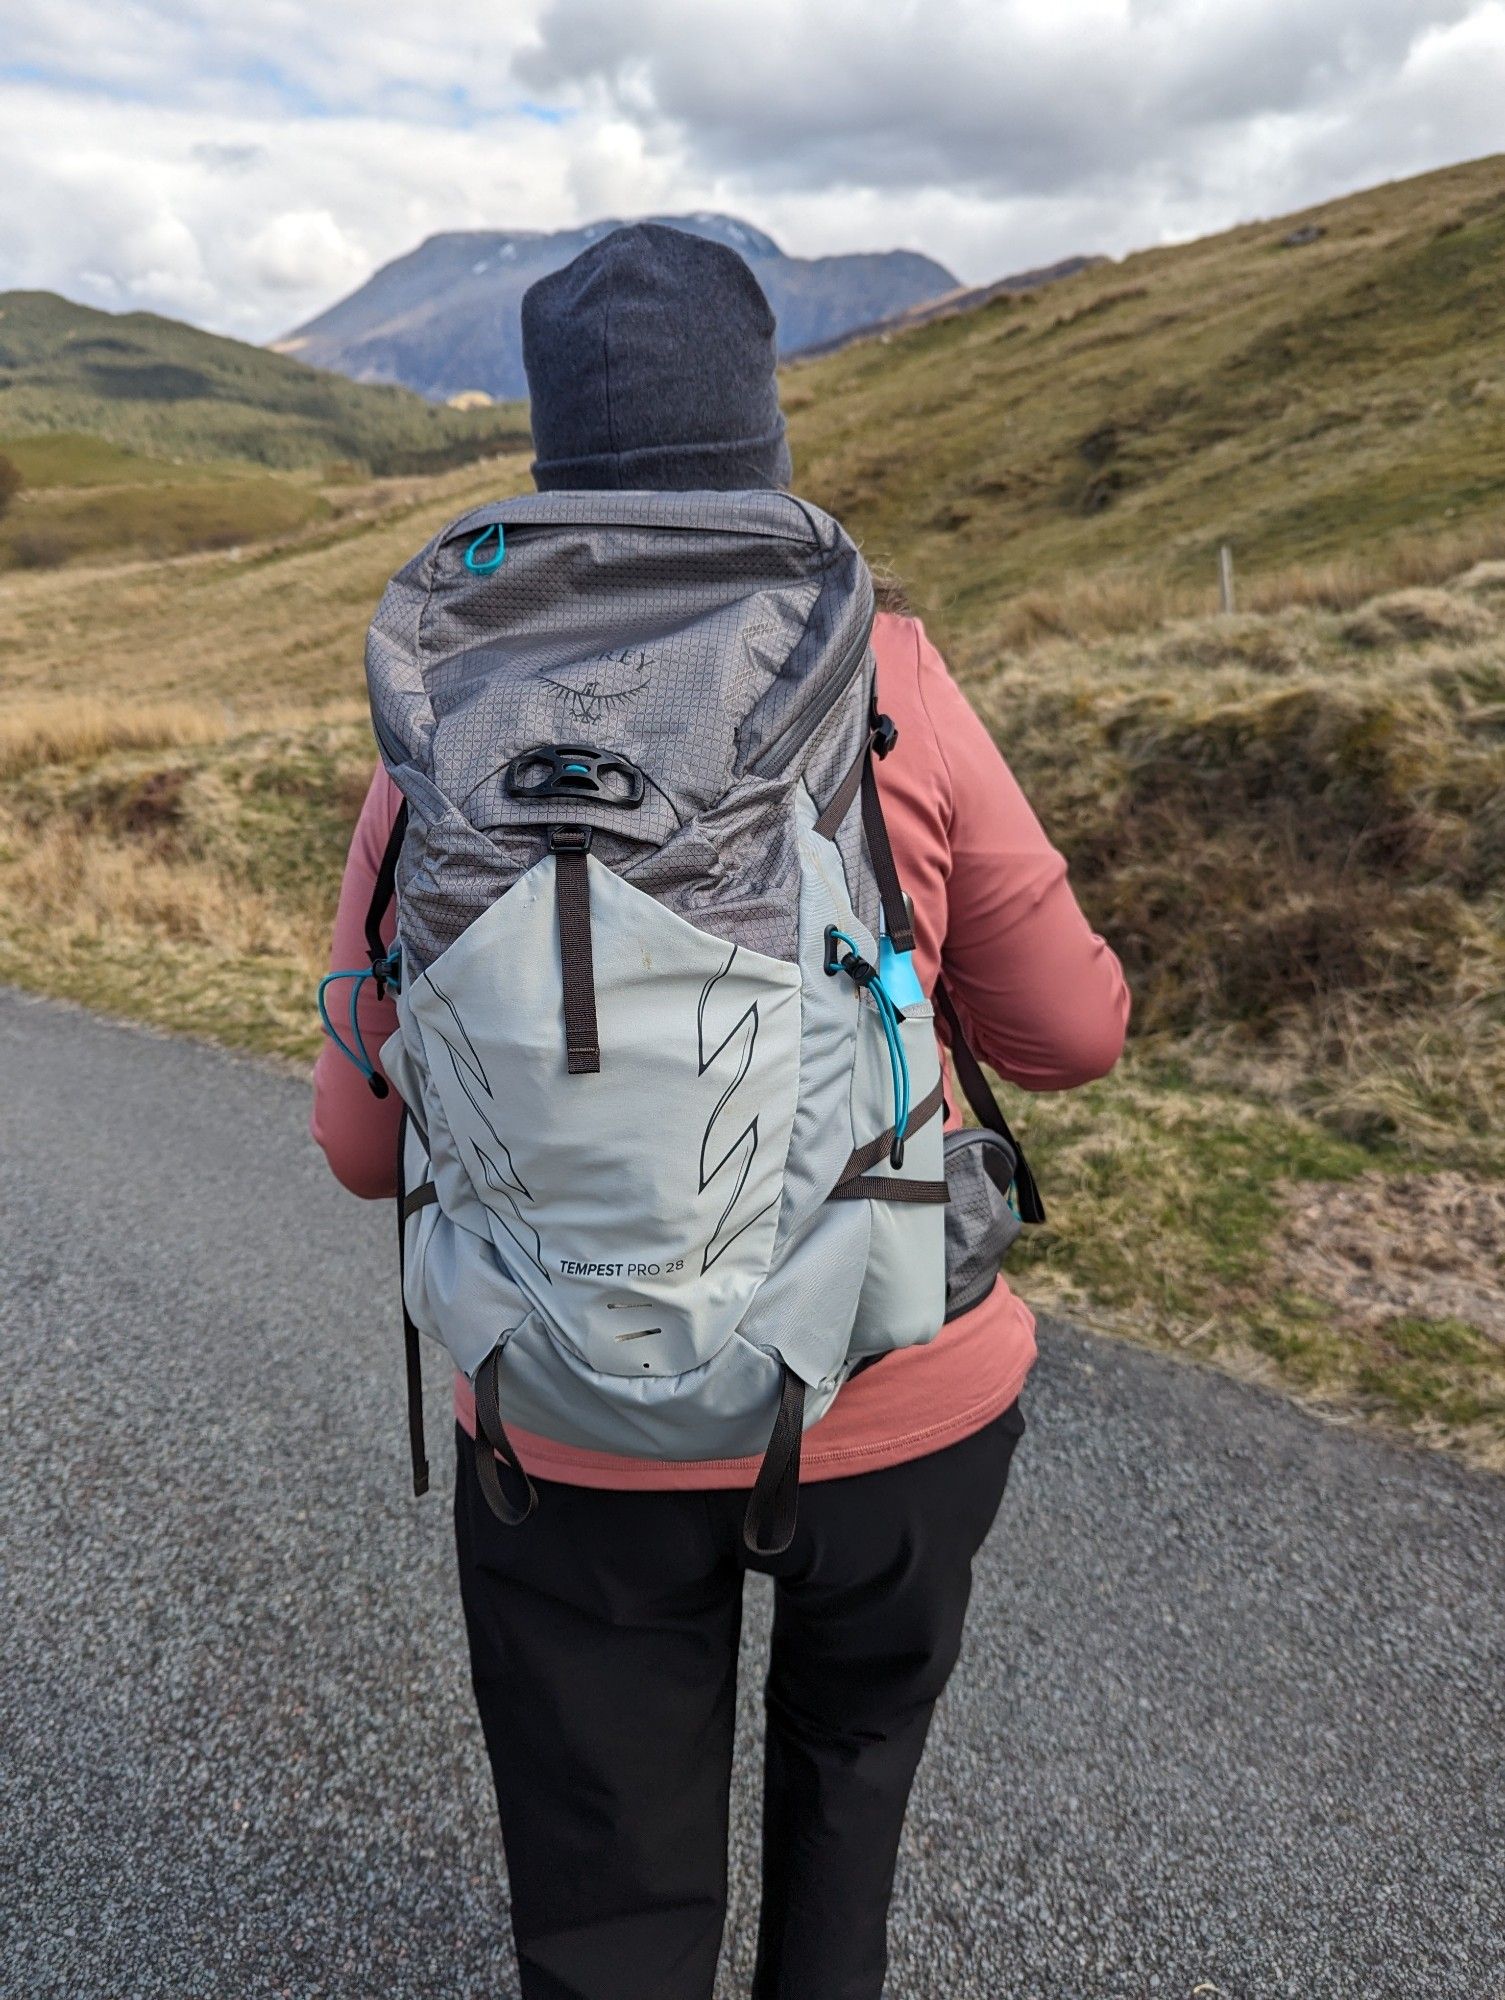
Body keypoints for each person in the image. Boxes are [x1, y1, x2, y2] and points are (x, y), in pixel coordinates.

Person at [313, 223, 1129, 2000]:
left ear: (553, 453)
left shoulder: (446, 718)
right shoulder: (885, 678)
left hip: (558, 1419)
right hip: (889, 1388)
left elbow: (362, 1142)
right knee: (848, 1787)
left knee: (606, 1906)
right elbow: (1068, 1037)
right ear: (761, 434)